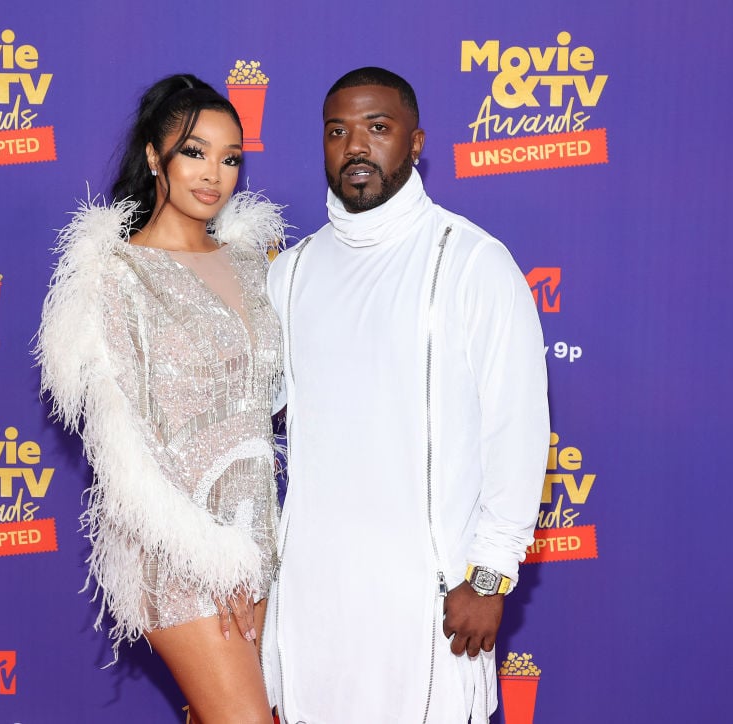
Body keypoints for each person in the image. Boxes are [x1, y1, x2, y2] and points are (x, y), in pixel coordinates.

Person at [260, 67, 550, 723]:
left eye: (377, 128)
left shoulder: (473, 261)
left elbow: (519, 430)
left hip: (432, 601)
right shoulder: (292, 273)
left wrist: (489, 575)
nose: (355, 147)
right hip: (314, 599)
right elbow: (250, 411)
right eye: (338, 132)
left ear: (416, 143)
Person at [36, 74, 285, 724]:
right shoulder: (116, 275)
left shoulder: (255, 263)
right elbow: (122, 452)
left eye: (231, 157)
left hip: (259, 537)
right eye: (194, 151)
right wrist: (212, 556)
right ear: (155, 156)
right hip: (176, 550)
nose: (215, 174)